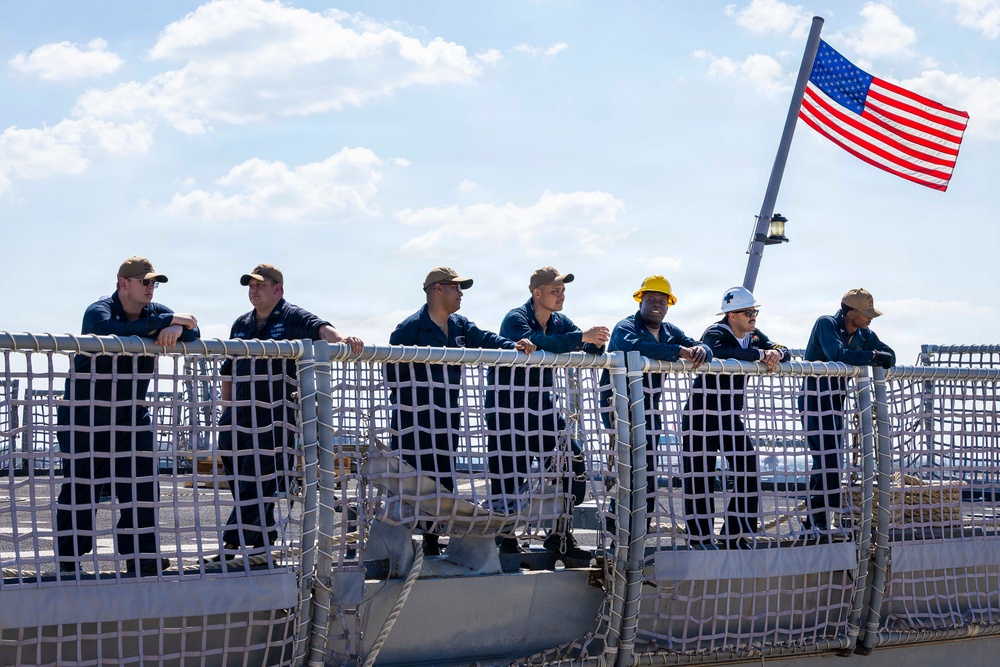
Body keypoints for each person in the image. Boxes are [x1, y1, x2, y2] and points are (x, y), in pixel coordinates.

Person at [56, 256, 201, 576]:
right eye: (145, 282)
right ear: (124, 283)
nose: (151, 288)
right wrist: (168, 321)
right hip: (85, 416)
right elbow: (112, 332)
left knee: (143, 486)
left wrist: (176, 325)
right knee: (82, 487)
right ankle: (68, 560)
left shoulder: (156, 312)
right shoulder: (99, 310)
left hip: (130, 416)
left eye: (154, 283)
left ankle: (142, 557)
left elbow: (194, 331)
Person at [385, 267, 535, 555]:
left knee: (442, 478)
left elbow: (486, 339)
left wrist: (512, 346)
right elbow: (392, 374)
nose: (460, 292)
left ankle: (432, 542)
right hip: (412, 420)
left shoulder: (460, 325)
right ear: (437, 290)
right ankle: (402, 544)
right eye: (455, 287)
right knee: (411, 481)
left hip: (446, 417)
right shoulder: (409, 329)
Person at [216, 263, 363, 559]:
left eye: (259, 285)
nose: (253, 290)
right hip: (238, 417)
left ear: (277, 289)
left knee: (257, 480)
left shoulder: (292, 316)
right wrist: (226, 413)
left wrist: (344, 340)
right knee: (238, 478)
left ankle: (232, 544)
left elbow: (321, 329)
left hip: (274, 417)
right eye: (250, 285)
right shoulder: (241, 324)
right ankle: (263, 542)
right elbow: (229, 370)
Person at [487, 267, 609, 558]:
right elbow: (539, 344)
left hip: (542, 410)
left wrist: (595, 343)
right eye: (555, 290)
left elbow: (585, 346)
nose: (561, 295)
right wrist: (580, 337)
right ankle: (505, 541)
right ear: (537, 293)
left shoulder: (559, 321)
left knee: (573, 460)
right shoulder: (515, 319)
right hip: (508, 412)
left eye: (563, 290)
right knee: (508, 478)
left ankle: (560, 535)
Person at [681, 286, 789, 549]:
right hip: (701, 414)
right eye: (748, 312)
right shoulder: (716, 332)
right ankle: (699, 538)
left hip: (729, 416)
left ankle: (735, 534)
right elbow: (719, 352)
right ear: (731, 315)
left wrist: (777, 353)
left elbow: (780, 347)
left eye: (755, 311)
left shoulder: (752, 335)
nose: (753, 317)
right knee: (700, 475)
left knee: (748, 468)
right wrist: (761, 355)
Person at [606, 275, 712, 524]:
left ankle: (641, 531)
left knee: (649, 474)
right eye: (650, 299)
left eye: (662, 301)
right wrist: (677, 351)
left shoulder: (669, 331)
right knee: (628, 474)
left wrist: (701, 350)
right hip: (620, 410)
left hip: (649, 412)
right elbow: (636, 347)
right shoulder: (626, 327)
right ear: (640, 301)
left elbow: (698, 346)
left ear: (668, 305)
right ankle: (617, 536)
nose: (656, 304)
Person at [800, 288, 895, 539]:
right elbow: (838, 355)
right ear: (850, 312)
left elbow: (890, 356)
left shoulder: (864, 333)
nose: (870, 318)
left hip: (835, 404)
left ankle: (814, 522)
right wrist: (872, 356)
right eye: (865, 313)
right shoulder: (826, 324)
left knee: (829, 461)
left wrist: (871, 355)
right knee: (827, 460)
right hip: (814, 402)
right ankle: (818, 521)